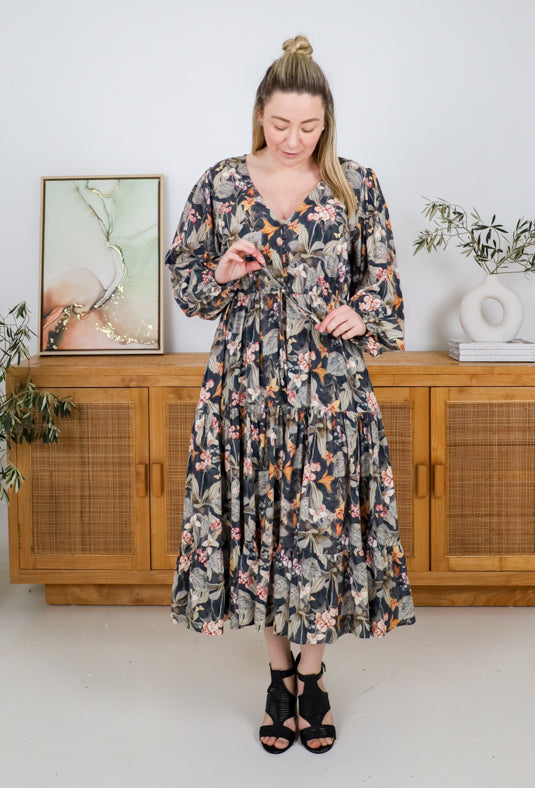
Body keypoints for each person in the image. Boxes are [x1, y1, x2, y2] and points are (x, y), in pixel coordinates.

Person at [166, 34, 415, 755]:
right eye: (280, 125)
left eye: (308, 128)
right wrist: (225, 271)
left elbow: (386, 283)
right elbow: (185, 280)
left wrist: (361, 312)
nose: (292, 139)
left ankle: (314, 676)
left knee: (318, 533)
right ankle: (279, 682)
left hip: (329, 391)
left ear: (326, 122)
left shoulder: (355, 187)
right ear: (259, 115)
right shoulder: (220, 183)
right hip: (243, 390)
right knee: (262, 532)